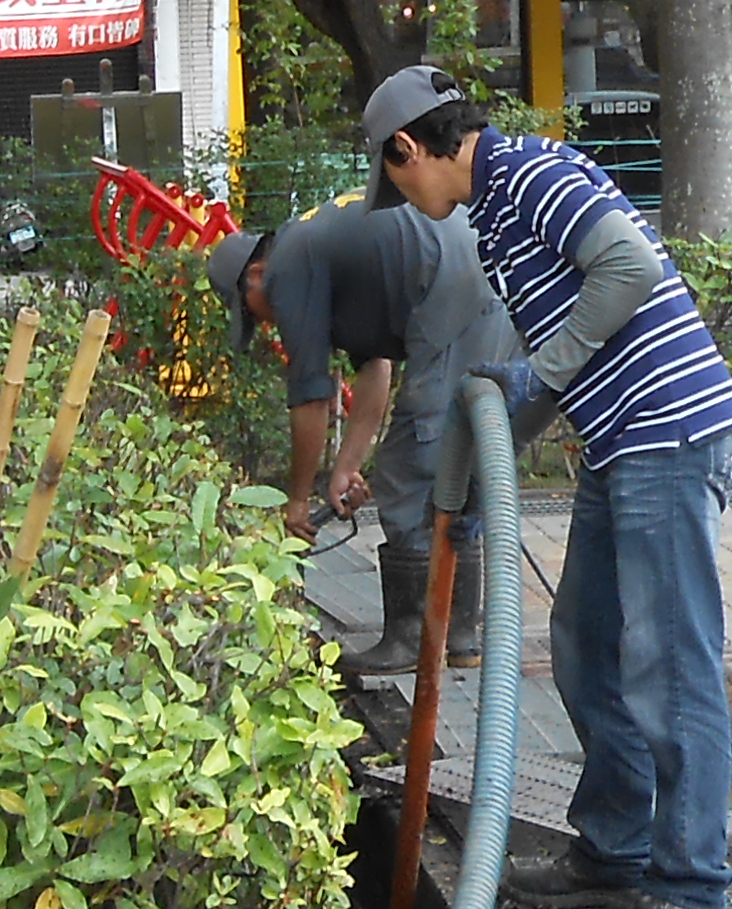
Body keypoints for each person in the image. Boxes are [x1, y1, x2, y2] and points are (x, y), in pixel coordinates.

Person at [359, 63, 732, 909]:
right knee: (584, 645)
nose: (405, 200)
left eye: (398, 179)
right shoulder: (495, 210)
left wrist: (544, 375)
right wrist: (484, 451)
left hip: (669, 435)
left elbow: (628, 265)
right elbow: (554, 359)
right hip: (624, 444)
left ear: (411, 147)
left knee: (669, 665)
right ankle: (615, 849)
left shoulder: (532, 173)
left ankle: (692, 887)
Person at [202, 194, 512, 670]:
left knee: (406, 470)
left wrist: (298, 500)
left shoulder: (287, 269)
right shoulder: (316, 249)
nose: (264, 324)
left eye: (251, 312)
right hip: (482, 274)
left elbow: (309, 398)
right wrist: (345, 467)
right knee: (455, 456)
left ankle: (412, 640)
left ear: (256, 277)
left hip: (453, 284)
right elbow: (376, 368)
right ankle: (459, 637)